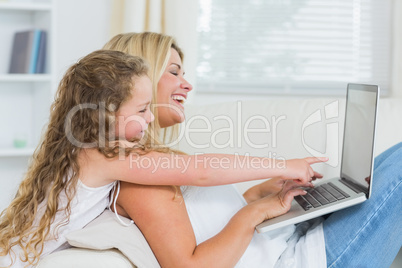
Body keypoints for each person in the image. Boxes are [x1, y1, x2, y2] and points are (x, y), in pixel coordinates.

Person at [0, 49, 323, 268]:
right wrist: (284, 164)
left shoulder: (86, 149)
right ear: (104, 115)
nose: (151, 119)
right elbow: (200, 171)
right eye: (142, 111)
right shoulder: (103, 154)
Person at [103, 32, 402, 268]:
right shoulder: (136, 175)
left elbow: (201, 225)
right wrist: (259, 209)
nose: (187, 85)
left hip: (290, 243)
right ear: (138, 78)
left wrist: (262, 193)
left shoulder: (151, 161)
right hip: (299, 260)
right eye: (174, 72)